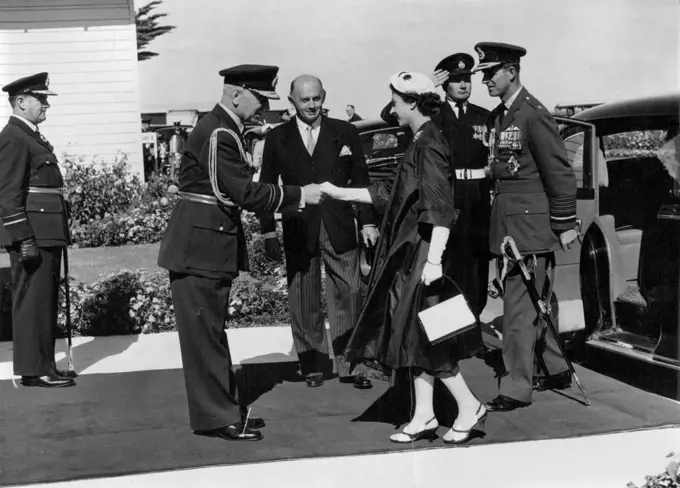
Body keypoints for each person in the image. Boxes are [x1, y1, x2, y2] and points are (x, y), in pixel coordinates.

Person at [157, 64, 324, 442]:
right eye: (260, 98)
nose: (264, 107)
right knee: (204, 337)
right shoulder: (220, 132)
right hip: (199, 247)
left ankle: (223, 409)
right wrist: (299, 194)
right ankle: (217, 417)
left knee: (210, 333)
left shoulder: (224, 128)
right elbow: (244, 194)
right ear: (236, 93)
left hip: (203, 244)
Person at [321, 71, 486, 445]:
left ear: (412, 102)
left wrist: (434, 262)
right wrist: (339, 193)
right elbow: (392, 195)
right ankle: (425, 414)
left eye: (396, 101)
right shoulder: (420, 141)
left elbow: (440, 207)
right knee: (411, 332)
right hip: (414, 251)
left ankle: (468, 404)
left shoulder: (429, 145)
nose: (391, 108)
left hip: (425, 251)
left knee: (428, 333)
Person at [472, 43, 579, 412]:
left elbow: (560, 174)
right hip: (508, 223)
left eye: (490, 73)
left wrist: (564, 224)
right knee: (536, 301)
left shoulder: (532, 115)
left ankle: (516, 387)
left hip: (529, 230)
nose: (484, 80)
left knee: (518, 308)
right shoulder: (499, 117)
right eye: (483, 74)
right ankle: (554, 367)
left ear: (511, 71)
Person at [259, 75, 379, 389]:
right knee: (303, 295)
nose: (312, 105)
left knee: (350, 293)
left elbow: (360, 181)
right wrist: (268, 232)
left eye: (316, 98)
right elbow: (267, 189)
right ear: (291, 102)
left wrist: (367, 222)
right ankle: (312, 363)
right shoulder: (277, 138)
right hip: (299, 227)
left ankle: (350, 363)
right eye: (305, 100)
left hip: (339, 226)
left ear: (324, 96)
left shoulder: (345, 132)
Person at [0, 72, 75, 388]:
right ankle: (34, 370)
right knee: (33, 299)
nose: (46, 105)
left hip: (45, 229)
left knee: (43, 299)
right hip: (33, 232)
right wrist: (23, 238)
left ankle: (43, 365)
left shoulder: (32, 136)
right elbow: (7, 193)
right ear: (20, 102)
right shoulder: (14, 137)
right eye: (40, 99)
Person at [429, 53, 492, 325]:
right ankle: (448, 331)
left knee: (477, 263)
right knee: (448, 263)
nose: (464, 85)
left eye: (467, 79)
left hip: (478, 198)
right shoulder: (432, 114)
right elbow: (391, 114)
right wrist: (425, 86)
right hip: (447, 195)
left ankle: (473, 325)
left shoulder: (484, 116)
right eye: (456, 80)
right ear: (445, 84)